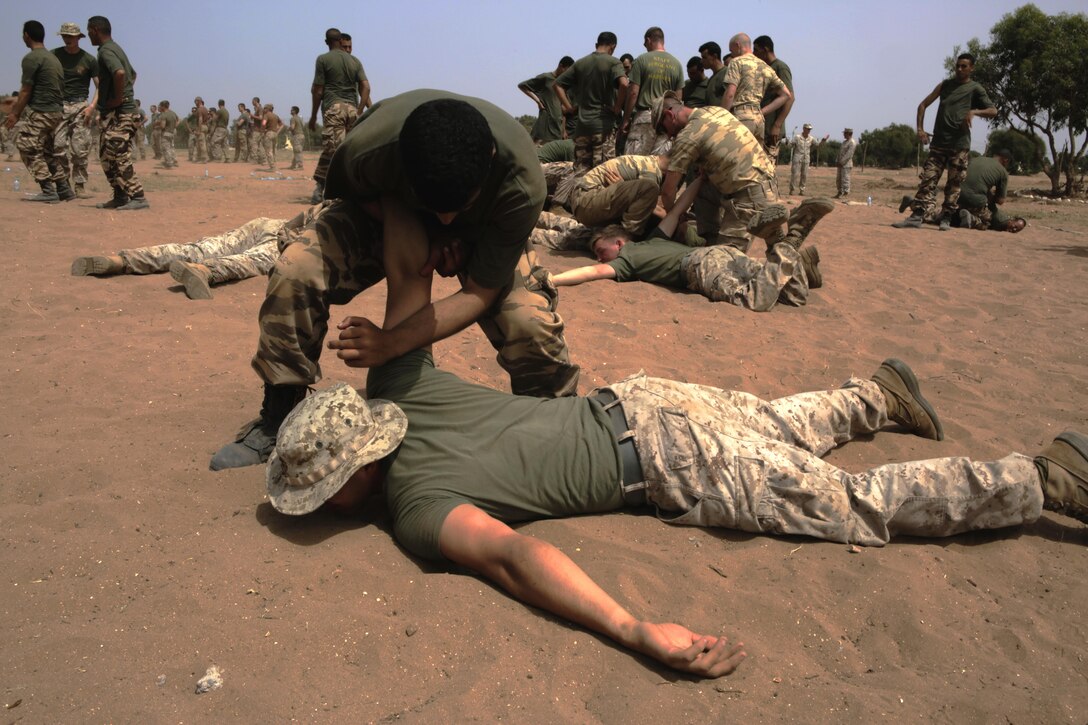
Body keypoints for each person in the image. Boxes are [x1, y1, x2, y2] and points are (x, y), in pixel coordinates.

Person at [265, 324, 1088, 679]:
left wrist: (632, 628)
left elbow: (515, 556)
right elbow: (411, 270)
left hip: (664, 461)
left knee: (850, 505)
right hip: (643, 399)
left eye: (325, 495)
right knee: (770, 422)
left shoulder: (415, 506)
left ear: (352, 477)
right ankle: (875, 396)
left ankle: (1043, 478)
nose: (330, 508)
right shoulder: (404, 382)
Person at [210, 90, 580, 471]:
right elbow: (358, 198)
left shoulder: (521, 182)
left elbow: (479, 293)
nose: (446, 217)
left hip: (483, 233)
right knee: (296, 270)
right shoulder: (367, 151)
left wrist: (390, 343)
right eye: (438, 209)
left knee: (527, 320)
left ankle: (558, 423)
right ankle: (278, 411)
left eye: (459, 206)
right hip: (390, 210)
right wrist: (419, 226)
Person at [554, 175, 823, 311]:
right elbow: (679, 208)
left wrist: (552, 280)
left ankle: (784, 239)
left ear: (619, 241)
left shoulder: (627, 259)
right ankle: (782, 237)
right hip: (722, 254)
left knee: (754, 300)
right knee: (793, 296)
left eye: (600, 250)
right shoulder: (657, 237)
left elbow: (593, 272)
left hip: (700, 266)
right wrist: (701, 178)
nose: (599, 258)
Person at [70, 202, 332, 299]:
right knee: (246, 262)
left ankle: (119, 261)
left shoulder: (344, 193)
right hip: (292, 243)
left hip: (272, 224)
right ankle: (202, 271)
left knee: (198, 247)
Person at [894, 53, 996, 229]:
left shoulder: (975, 88)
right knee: (928, 180)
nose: (959, 69)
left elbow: (993, 111)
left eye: (964, 66)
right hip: (938, 144)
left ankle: (946, 218)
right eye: (957, 65)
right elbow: (922, 105)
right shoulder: (945, 85)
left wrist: (974, 112)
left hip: (960, 146)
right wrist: (920, 129)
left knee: (954, 184)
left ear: (971, 68)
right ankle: (917, 215)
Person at [87, 15, 148, 210]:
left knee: (118, 152)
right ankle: (120, 195)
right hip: (116, 113)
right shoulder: (114, 48)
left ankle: (137, 196)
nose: (89, 35)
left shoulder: (106, 51)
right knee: (106, 155)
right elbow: (133, 74)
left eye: (89, 31)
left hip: (123, 113)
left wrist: (118, 99)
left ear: (95, 29)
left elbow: (120, 73)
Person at [7, 20, 68, 203]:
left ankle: (48, 190)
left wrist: (15, 114)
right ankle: (63, 188)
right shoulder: (52, 58)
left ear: (26, 35)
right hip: (55, 111)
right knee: (47, 151)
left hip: (42, 110)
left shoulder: (32, 58)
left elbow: (26, 90)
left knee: (26, 145)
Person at [309, 28, 369, 203]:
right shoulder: (354, 61)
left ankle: (332, 191)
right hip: (352, 110)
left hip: (334, 108)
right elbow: (366, 87)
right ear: (340, 41)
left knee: (334, 151)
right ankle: (324, 189)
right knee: (343, 150)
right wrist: (359, 111)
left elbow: (318, 91)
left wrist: (313, 116)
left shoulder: (323, 59)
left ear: (327, 42)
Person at [900, 149, 1026, 233]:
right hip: (976, 201)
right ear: (1006, 160)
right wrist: (988, 194)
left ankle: (915, 205)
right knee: (985, 222)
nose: (1014, 228)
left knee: (942, 216)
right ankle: (970, 218)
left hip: (956, 195)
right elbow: (1001, 201)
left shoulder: (977, 159)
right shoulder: (1003, 172)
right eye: (1016, 226)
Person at [554, 32, 629, 172]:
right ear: (613, 47)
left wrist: (569, 108)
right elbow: (624, 84)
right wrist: (618, 107)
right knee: (604, 173)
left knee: (581, 173)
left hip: (582, 127)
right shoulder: (613, 62)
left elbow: (557, 85)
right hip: (603, 127)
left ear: (596, 44)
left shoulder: (581, 63)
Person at [52, 22, 99, 199]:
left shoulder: (89, 60)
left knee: (80, 149)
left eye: (70, 36)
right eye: (64, 36)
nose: (67, 39)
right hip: (60, 106)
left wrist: (91, 107)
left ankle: (79, 185)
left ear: (79, 38)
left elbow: (99, 86)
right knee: (58, 146)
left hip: (81, 106)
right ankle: (63, 185)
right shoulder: (54, 56)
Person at [719, 33, 792, 145]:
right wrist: (762, 112)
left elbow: (730, 94)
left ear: (738, 45)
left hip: (741, 118)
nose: (732, 54)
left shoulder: (736, 62)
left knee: (738, 158)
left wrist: (721, 117)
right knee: (755, 160)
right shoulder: (765, 66)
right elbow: (786, 94)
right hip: (759, 121)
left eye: (731, 50)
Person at [569, 154, 667, 236]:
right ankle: (627, 239)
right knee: (650, 191)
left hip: (583, 201)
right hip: (587, 200)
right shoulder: (652, 171)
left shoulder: (649, 161)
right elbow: (649, 205)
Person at [620, 27, 683, 156]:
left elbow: (633, 93)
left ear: (648, 40)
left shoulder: (641, 60)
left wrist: (626, 119)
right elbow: (678, 98)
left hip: (645, 117)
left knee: (634, 161)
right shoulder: (677, 64)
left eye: (645, 44)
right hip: (666, 119)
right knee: (657, 164)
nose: (645, 46)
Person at [518, 56, 574, 144]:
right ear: (561, 66)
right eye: (566, 70)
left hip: (557, 126)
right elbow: (522, 86)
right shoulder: (546, 78)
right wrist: (538, 101)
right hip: (545, 123)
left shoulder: (563, 84)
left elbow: (563, 109)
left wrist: (564, 130)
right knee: (537, 148)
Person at [753, 35, 793, 151]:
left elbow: (790, 98)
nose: (754, 53)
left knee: (768, 167)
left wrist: (777, 125)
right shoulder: (765, 68)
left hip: (771, 130)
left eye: (756, 49)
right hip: (762, 128)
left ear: (765, 49)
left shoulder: (780, 67)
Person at [789, 124, 827, 196]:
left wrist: (823, 141)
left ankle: (802, 190)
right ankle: (792, 190)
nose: (808, 131)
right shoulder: (797, 137)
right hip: (797, 158)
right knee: (795, 174)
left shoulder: (811, 138)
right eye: (807, 129)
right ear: (803, 129)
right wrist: (787, 142)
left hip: (806, 159)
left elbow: (818, 145)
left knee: (804, 175)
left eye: (810, 129)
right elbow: (790, 145)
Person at [698, 41, 728, 108]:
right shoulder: (711, 79)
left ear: (714, 56)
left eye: (704, 57)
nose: (701, 61)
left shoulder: (727, 73)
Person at [834, 128, 859, 198]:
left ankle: (845, 193)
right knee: (839, 179)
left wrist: (841, 162)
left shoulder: (852, 142)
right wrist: (837, 160)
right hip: (840, 164)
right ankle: (840, 192)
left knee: (845, 179)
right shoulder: (844, 142)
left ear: (849, 134)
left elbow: (849, 154)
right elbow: (840, 152)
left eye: (845, 133)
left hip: (846, 164)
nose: (844, 135)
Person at [156, 99, 178, 168]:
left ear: (163, 106)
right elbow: (178, 120)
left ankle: (169, 163)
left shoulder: (164, 115)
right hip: (172, 132)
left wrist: (157, 125)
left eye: (160, 106)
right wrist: (174, 126)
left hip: (165, 133)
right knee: (171, 147)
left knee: (166, 148)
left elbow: (163, 126)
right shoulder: (173, 113)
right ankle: (174, 161)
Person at [261, 102, 282, 171]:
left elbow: (263, 124)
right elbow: (281, 124)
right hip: (275, 134)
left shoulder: (266, 115)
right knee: (273, 150)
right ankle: (274, 164)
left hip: (269, 133)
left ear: (268, 109)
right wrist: (277, 131)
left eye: (265, 108)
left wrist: (263, 130)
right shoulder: (276, 116)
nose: (263, 109)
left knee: (268, 150)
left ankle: (272, 167)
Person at [288, 105, 305, 170]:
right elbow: (303, 125)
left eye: (292, 110)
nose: (290, 111)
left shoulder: (293, 118)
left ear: (294, 111)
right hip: (302, 135)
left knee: (297, 151)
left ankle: (300, 166)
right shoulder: (299, 118)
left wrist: (288, 129)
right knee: (297, 150)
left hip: (297, 135)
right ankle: (293, 165)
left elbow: (292, 127)